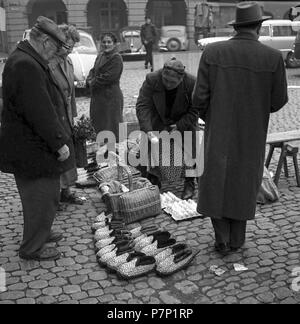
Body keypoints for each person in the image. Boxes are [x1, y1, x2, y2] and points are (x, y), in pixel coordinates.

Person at [192, 1, 288, 255]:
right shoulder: (273, 58)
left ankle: (221, 238)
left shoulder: (213, 53)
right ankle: (236, 239)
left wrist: (212, 114)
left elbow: (198, 98)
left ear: (236, 26)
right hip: (252, 132)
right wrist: (255, 111)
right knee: (243, 181)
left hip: (219, 128)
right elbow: (278, 101)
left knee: (215, 180)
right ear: (258, 26)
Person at [0, 16, 76, 261]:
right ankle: (32, 247)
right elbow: (39, 110)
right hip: (32, 147)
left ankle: (40, 232)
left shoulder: (26, 58)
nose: (56, 52)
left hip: (30, 145)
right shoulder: (26, 64)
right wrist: (59, 142)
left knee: (43, 195)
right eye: (55, 47)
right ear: (44, 41)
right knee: (41, 196)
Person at [136, 58, 199, 200]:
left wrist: (180, 126)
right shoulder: (152, 79)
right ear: (162, 74)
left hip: (184, 120)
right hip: (159, 119)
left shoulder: (191, 83)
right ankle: (154, 179)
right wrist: (148, 129)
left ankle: (190, 182)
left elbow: (195, 110)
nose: (168, 84)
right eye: (165, 80)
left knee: (190, 147)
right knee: (151, 145)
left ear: (181, 79)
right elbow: (142, 105)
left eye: (172, 82)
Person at [49, 24, 85, 205]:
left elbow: (71, 91)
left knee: (68, 154)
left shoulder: (68, 61)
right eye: (66, 46)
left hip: (66, 114)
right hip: (54, 114)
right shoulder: (49, 63)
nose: (69, 50)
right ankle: (54, 195)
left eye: (72, 47)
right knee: (57, 153)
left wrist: (73, 115)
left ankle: (67, 191)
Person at [87, 32, 124, 145]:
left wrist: (92, 83)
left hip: (111, 98)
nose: (106, 44)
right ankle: (101, 154)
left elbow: (108, 77)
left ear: (114, 44)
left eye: (109, 42)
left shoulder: (116, 58)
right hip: (98, 98)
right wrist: (89, 80)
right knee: (99, 124)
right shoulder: (100, 56)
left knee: (111, 125)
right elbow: (93, 71)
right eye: (104, 42)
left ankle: (114, 155)